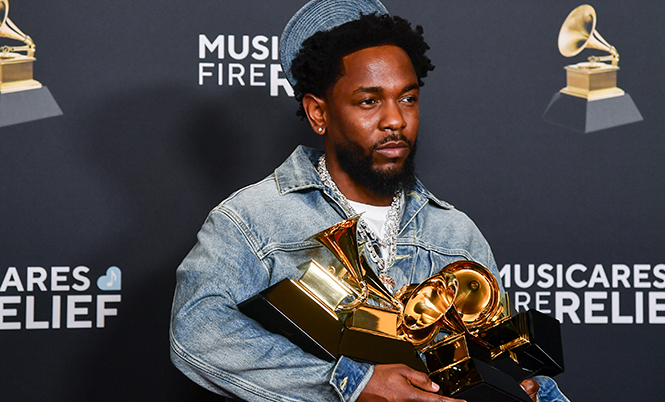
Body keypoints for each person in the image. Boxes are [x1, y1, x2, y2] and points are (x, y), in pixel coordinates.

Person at [170, 1, 570, 401]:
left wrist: (530, 390)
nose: (395, 120)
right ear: (318, 113)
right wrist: (352, 383)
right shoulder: (252, 219)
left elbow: (503, 360)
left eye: (408, 98)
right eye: (369, 101)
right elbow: (196, 331)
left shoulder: (455, 233)